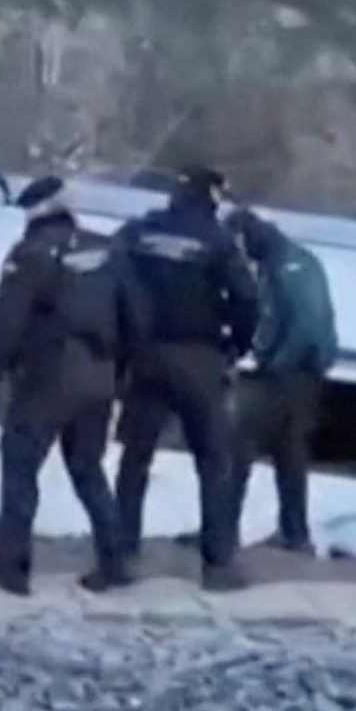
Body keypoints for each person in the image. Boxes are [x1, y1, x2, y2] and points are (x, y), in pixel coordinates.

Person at [0, 176, 130, 596]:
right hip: (100, 377)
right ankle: (114, 563)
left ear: (35, 213)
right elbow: (134, 316)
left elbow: (8, 321)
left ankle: (12, 569)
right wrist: (119, 372)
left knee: (20, 467)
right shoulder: (106, 249)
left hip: (47, 378)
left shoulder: (31, 254)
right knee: (88, 470)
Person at [110, 166, 262, 591]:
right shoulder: (219, 241)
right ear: (211, 196)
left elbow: (113, 280)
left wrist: (126, 339)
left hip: (146, 356)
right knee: (213, 462)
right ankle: (216, 564)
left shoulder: (139, 232)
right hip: (200, 358)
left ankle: (120, 552)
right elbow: (248, 299)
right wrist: (237, 345)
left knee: (135, 458)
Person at [224, 208, 338, 555]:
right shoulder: (288, 260)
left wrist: (274, 361)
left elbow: (307, 322)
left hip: (288, 372)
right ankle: (294, 533)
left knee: (238, 449)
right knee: (290, 455)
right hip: (301, 373)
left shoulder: (289, 266)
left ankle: (222, 531)